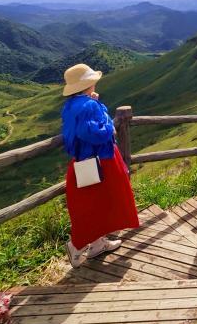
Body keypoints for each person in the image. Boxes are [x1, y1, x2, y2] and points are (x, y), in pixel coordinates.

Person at [60, 63, 139, 268]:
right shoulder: (89, 105)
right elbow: (94, 133)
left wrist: (97, 105)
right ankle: (76, 246)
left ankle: (96, 244)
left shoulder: (71, 105)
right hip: (101, 159)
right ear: (87, 85)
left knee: (93, 203)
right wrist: (109, 127)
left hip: (84, 161)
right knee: (103, 202)